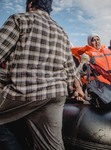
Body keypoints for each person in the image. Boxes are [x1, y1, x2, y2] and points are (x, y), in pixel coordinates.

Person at [0, 0, 84, 149]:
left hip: (23, 92)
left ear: (30, 3)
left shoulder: (19, 19)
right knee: (51, 146)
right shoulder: (62, 32)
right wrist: (77, 88)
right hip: (55, 94)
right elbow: (71, 71)